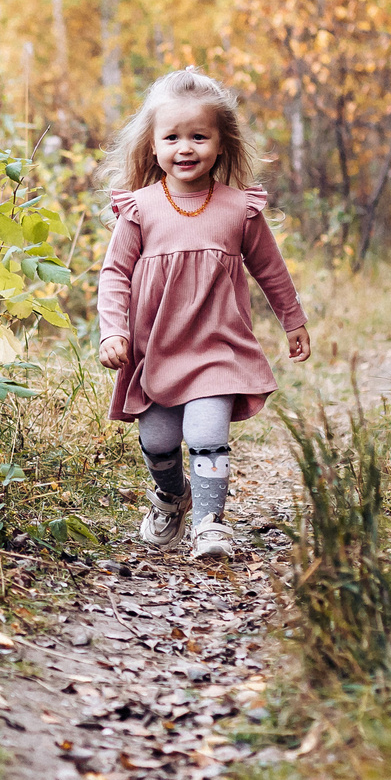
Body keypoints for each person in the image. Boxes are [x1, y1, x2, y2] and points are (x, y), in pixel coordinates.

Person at [95, 69, 311, 559]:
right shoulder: (140, 209)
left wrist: (292, 320)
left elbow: (270, 271)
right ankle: (172, 498)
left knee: (207, 434)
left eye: (198, 136)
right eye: (171, 137)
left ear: (221, 144)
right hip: (154, 348)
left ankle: (210, 523)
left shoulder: (240, 210)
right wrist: (113, 330)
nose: (184, 148)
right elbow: (113, 275)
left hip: (218, 345)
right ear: (152, 146)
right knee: (159, 440)